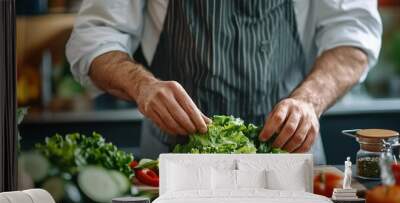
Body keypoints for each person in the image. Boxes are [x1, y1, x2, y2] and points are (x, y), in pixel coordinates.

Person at [66, 0, 382, 163]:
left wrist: (308, 101)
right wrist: (141, 85)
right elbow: (94, 37)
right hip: (173, 161)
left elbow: (353, 36)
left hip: (289, 157)